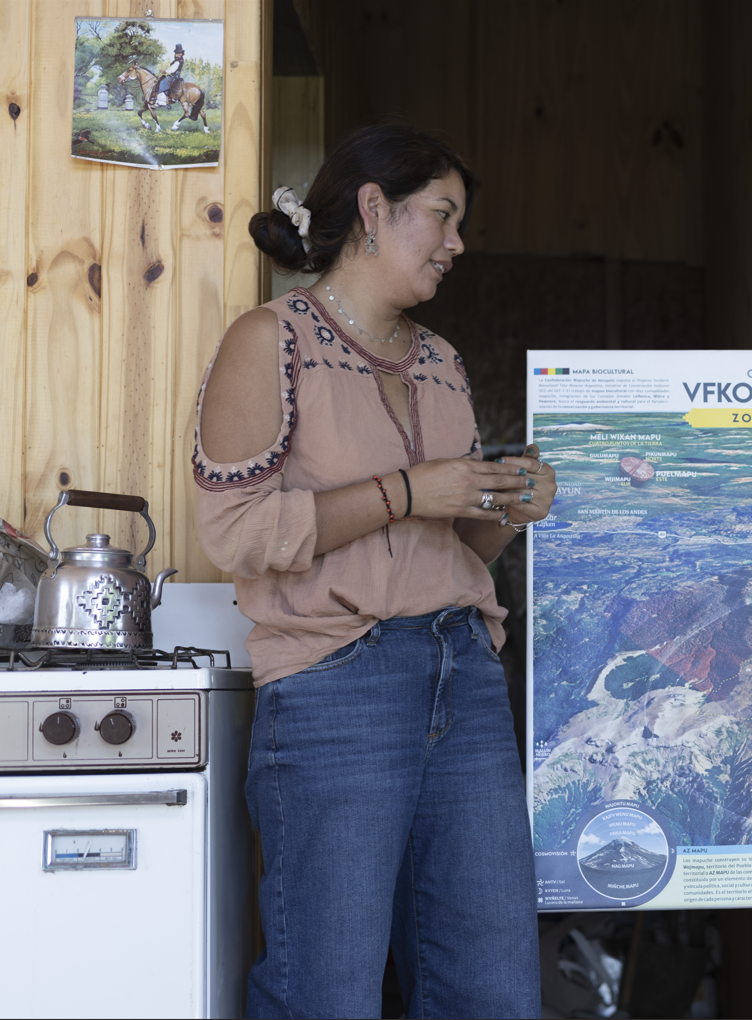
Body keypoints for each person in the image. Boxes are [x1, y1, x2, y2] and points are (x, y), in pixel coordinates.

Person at [196, 121, 550, 1018]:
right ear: (372, 211)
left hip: (464, 675)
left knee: (494, 988)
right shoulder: (269, 340)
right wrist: (406, 490)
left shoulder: (442, 363)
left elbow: (453, 549)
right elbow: (235, 533)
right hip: (332, 684)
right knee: (330, 988)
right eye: (443, 215)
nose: (458, 243)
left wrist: (510, 506)